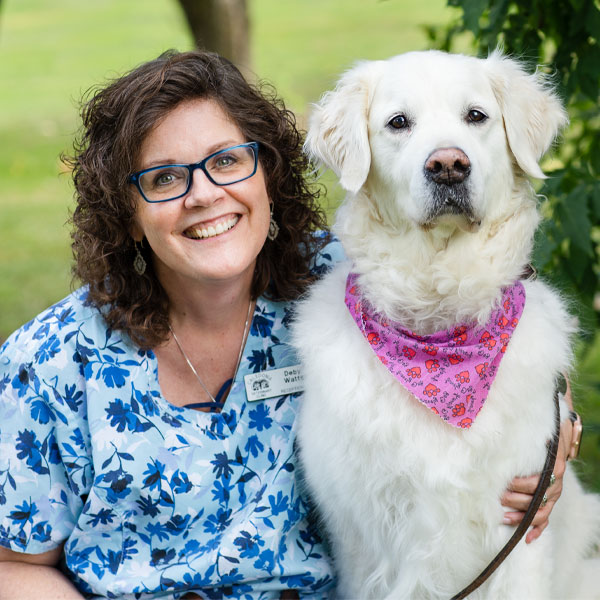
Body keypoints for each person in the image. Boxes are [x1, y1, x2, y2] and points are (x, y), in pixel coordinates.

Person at [0, 50, 576, 600]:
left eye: (226, 161)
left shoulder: (352, 287)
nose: (204, 194)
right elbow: (10, 566)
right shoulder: (50, 362)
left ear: (266, 177)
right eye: (165, 178)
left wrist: (552, 430)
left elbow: (482, 303)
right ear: (127, 215)